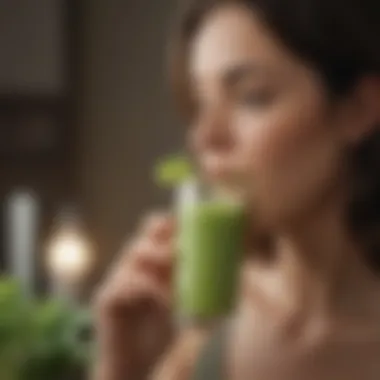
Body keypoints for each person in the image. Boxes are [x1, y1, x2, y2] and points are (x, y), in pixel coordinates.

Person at [93, 0, 380, 379]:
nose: (204, 138)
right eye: (199, 103)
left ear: (358, 108)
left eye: (252, 96)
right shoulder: (189, 326)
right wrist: (122, 368)